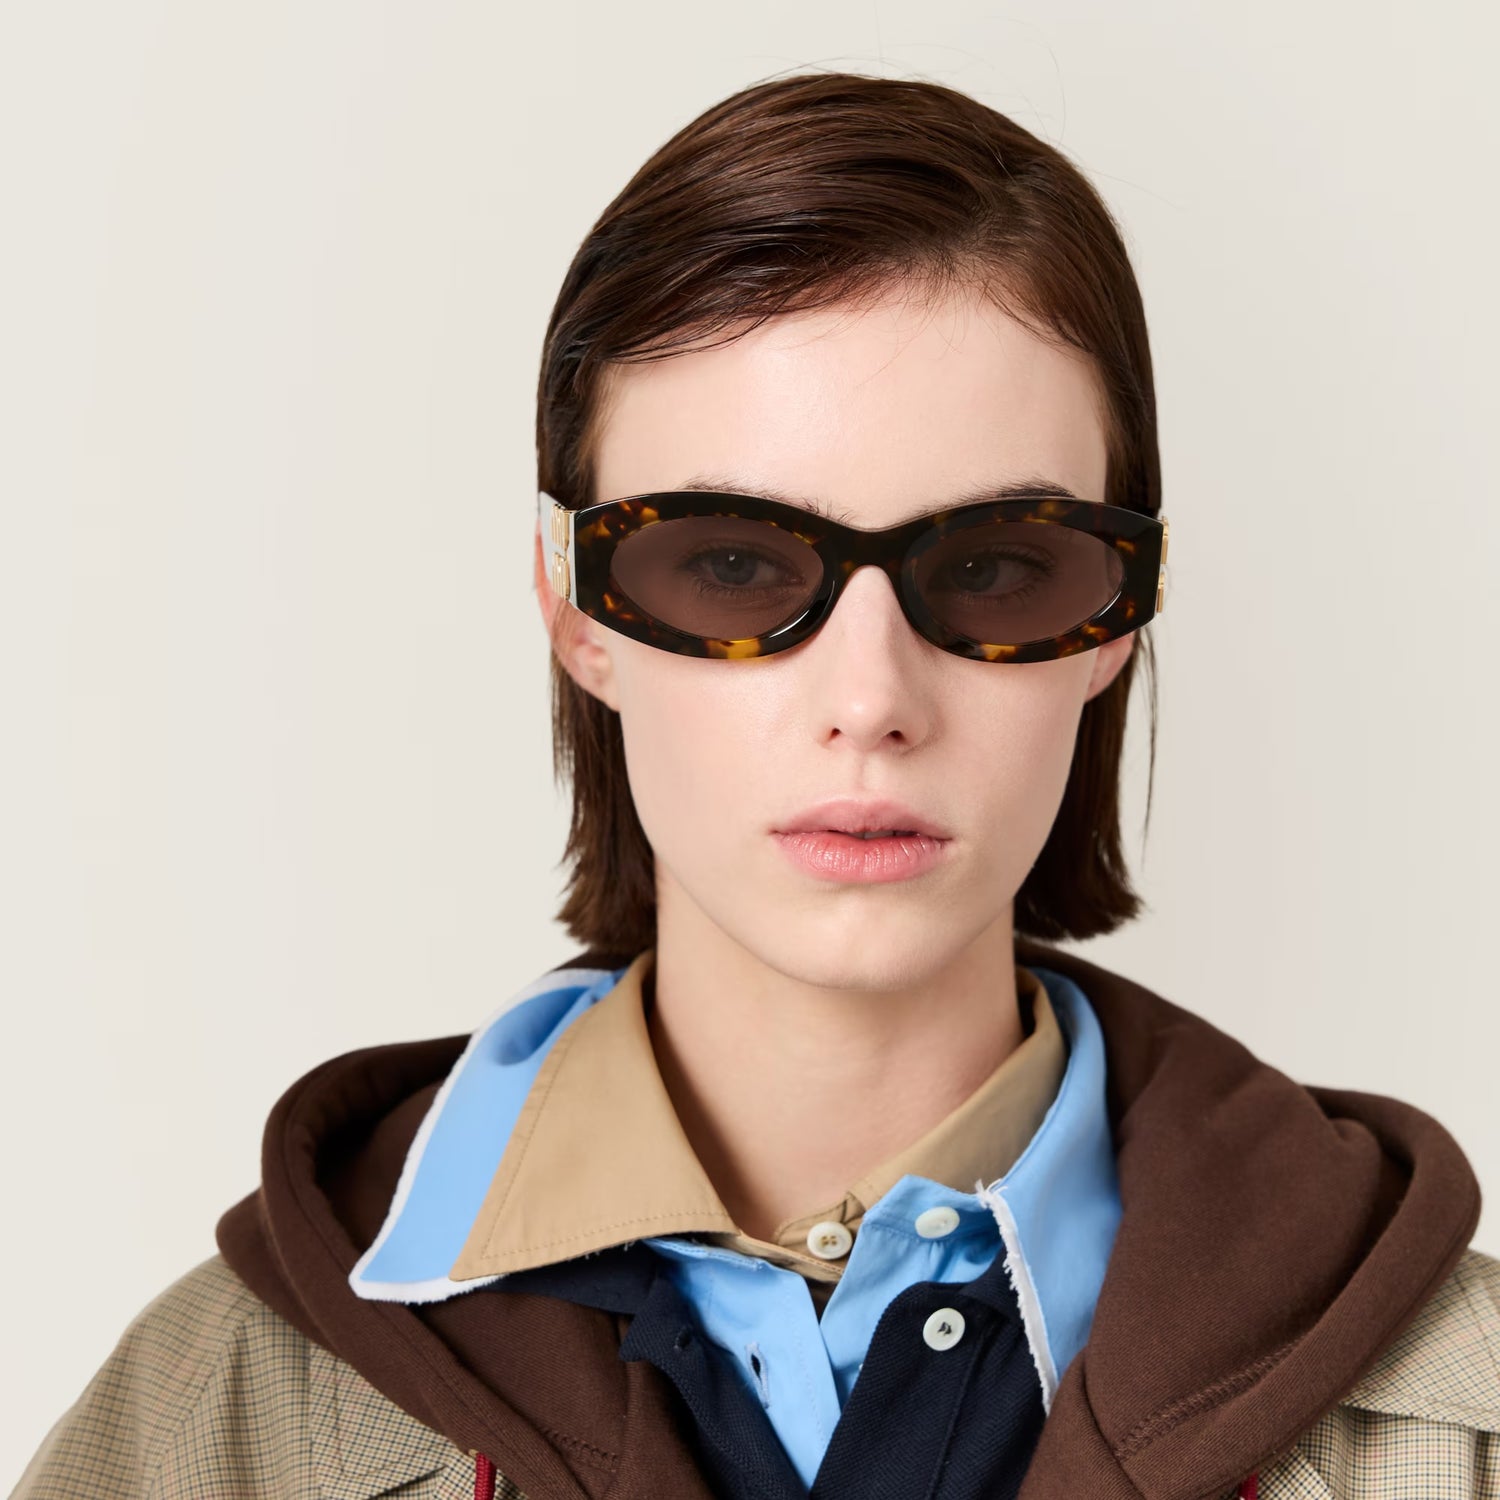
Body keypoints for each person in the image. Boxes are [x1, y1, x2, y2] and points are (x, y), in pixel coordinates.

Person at [16, 69, 1497, 1500]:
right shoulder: (220, 1428)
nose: (872, 702)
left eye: (996, 569)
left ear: (1116, 619)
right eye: (731, 563)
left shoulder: (1466, 1420)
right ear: (576, 611)